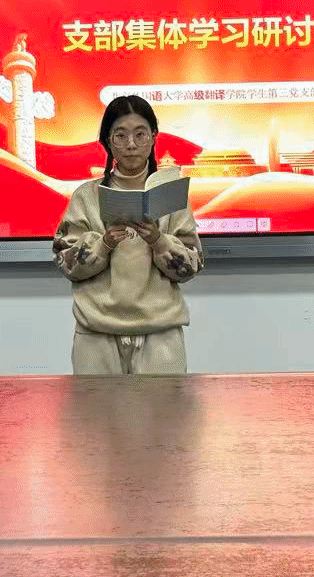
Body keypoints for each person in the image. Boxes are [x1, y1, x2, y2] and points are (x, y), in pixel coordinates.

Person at [53, 95, 203, 375]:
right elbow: (65, 262)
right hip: (97, 334)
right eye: (120, 135)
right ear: (108, 141)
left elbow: (191, 266)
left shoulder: (171, 196)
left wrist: (159, 241)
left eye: (140, 134)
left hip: (159, 333)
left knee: (164, 406)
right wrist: (103, 243)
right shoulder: (86, 196)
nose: (131, 144)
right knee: (95, 406)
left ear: (153, 137)